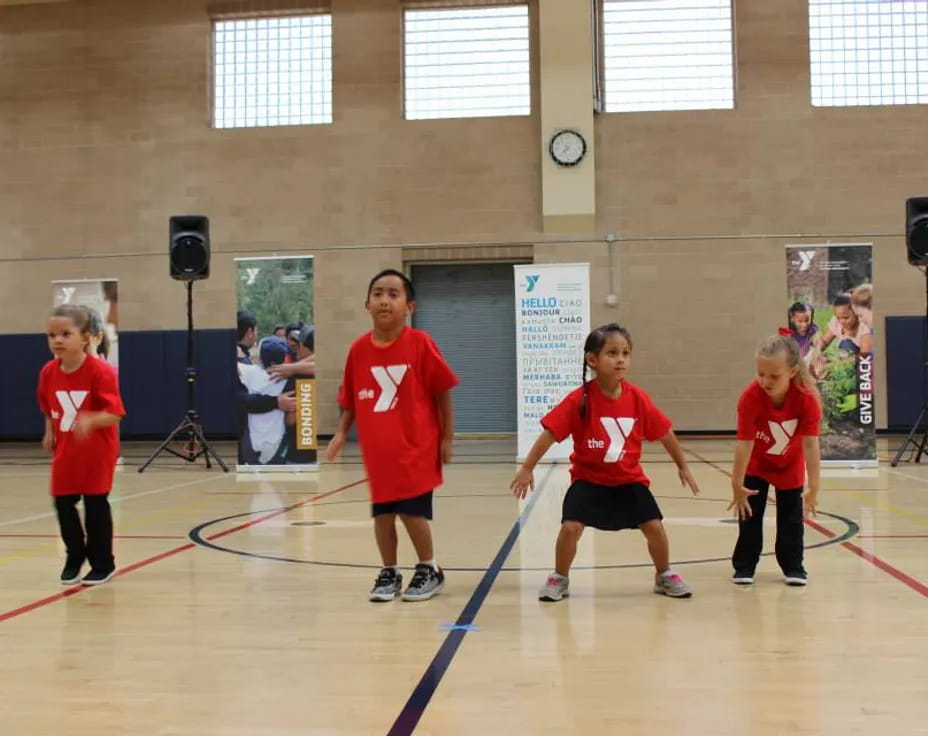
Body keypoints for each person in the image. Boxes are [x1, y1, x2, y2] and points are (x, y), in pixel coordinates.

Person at [511, 323, 700, 602]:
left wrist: (682, 465)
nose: (621, 359)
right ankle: (559, 576)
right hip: (589, 480)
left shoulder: (638, 398)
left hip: (629, 480)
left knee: (654, 527)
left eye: (625, 353)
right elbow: (550, 434)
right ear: (592, 360)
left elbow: (665, 432)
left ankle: (664, 574)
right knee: (570, 527)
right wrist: (527, 468)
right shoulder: (579, 400)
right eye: (612, 353)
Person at [326, 269, 458, 602]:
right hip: (378, 452)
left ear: (409, 306)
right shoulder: (358, 350)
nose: (385, 300)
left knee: (411, 512)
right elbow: (351, 399)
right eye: (378, 294)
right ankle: (389, 571)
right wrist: (341, 432)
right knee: (382, 514)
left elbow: (443, 391)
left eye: (393, 294)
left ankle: (429, 568)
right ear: (367, 304)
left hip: (416, 447)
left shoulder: (420, 344)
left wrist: (447, 438)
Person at [38, 304, 125, 586]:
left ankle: (103, 562)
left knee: (95, 504)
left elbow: (114, 413)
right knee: (63, 502)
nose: (57, 341)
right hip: (66, 449)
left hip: (97, 450)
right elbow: (48, 405)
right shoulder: (48, 372)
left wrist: (91, 419)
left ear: (86, 337)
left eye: (65, 334)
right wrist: (49, 428)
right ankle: (75, 555)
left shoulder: (101, 372)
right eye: (52, 335)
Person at [729, 331, 822, 586]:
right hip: (757, 464)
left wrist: (814, 485)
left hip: (789, 466)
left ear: (792, 371)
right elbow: (744, 442)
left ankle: (793, 566)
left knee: (791, 520)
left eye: (773, 376)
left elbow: (811, 444)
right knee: (749, 516)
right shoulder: (750, 397)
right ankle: (745, 565)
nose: (765, 381)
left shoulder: (806, 398)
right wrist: (737, 483)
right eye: (760, 374)